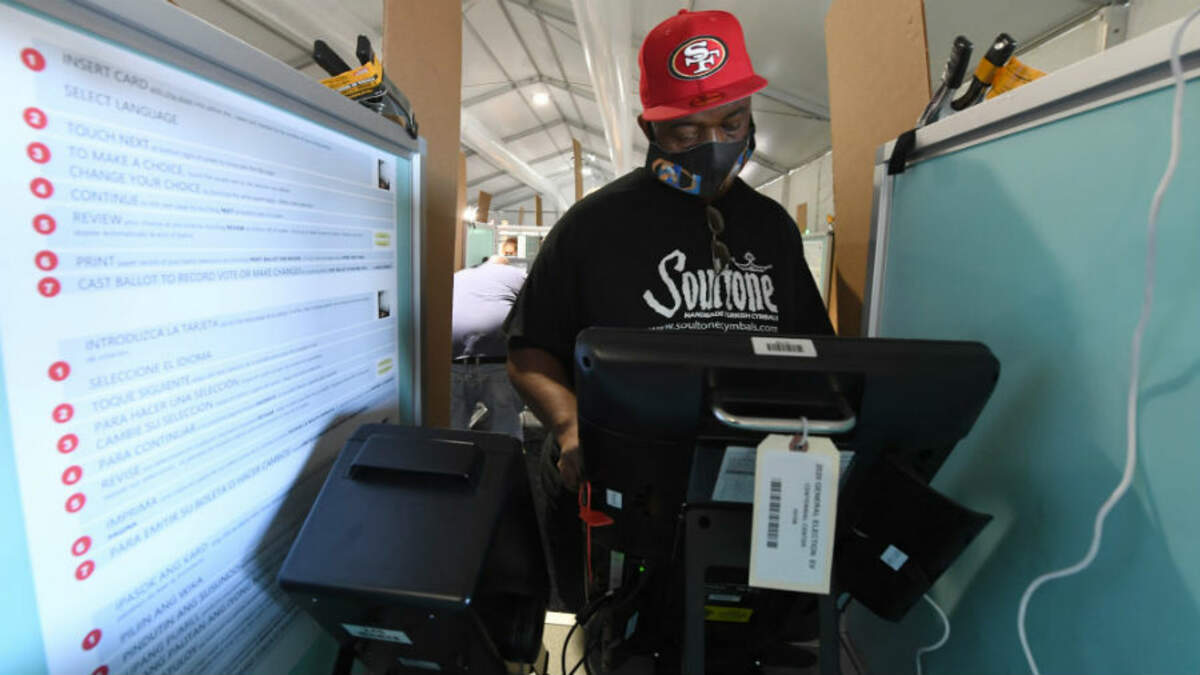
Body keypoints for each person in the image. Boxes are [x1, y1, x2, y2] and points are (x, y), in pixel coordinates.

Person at [504, 7, 834, 622]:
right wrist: (569, 427)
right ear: (649, 128)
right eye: (687, 132)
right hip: (616, 496)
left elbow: (816, 354)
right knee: (612, 639)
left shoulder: (773, 228)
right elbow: (528, 352)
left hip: (736, 490)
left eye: (732, 122)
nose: (715, 145)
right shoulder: (593, 226)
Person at [450, 255, 527, 439]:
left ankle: (454, 455)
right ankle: (505, 457)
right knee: (506, 429)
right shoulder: (516, 274)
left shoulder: (459, 275)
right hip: (497, 362)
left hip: (453, 361)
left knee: (452, 431)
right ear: (506, 265)